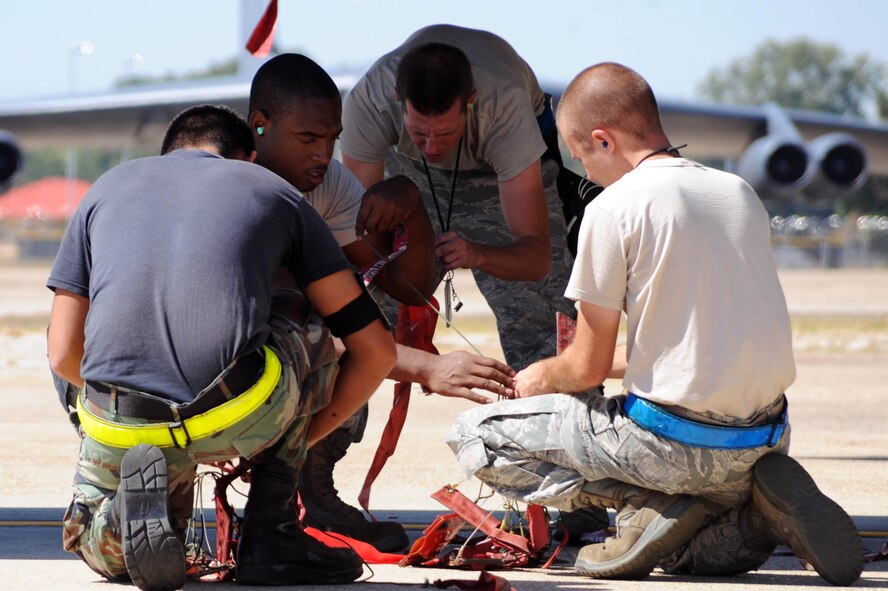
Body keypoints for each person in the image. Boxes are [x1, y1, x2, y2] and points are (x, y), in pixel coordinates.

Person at [445, 63, 865, 585]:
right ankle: (757, 521)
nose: (585, 176)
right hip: (764, 440)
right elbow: (686, 346)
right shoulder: (737, 194)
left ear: (602, 140)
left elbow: (586, 367)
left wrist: (535, 378)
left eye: (581, 160)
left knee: (475, 437)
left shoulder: (614, 206)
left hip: (672, 448)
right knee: (686, 554)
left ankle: (646, 504)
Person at [47, 104, 396, 590]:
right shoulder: (274, 192)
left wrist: (143, 408)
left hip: (116, 418)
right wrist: (293, 440)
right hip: (238, 409)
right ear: (247, 158)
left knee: (84, 335)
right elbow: (377, 350)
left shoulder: (106, 188)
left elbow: (63, 352)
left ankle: (119, 520)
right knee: (311, 319)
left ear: (165, 155)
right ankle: (272, 532)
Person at [248, 53, 519, 552]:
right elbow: (277, 326)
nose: (323, 155)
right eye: (308, 139)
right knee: (316, 343)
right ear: (259, 127)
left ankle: (303, 492)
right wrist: (426, 368)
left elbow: (404, 286)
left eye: (331, 139)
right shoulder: (235, 188)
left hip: (237, 369)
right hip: (181, 376)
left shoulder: (322, 184)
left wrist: (411, 206)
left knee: (333, 336)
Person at [340, 25, 578, 372]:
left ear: (470, 102)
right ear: (398, 98)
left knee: (542, 325)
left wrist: (478, 253)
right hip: (406, 175)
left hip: (498, 173)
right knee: (351, 310)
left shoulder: (504, 108)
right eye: (420, 132)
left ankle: (565, 417)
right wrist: (408, 278)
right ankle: (331, 424)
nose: (433, 147)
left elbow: (536, 257)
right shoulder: (368, 103)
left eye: (445, 133)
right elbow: (359, 243)